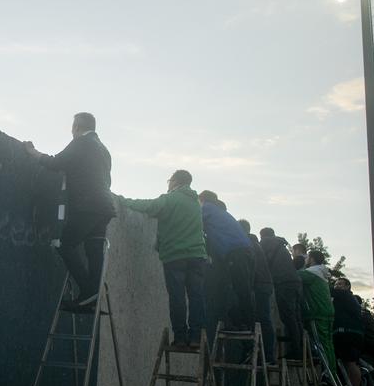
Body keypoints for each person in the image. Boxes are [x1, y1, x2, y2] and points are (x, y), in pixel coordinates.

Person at [25, 113, 115, 311]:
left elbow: (56, 163)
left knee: (65, 245)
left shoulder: (82, 143)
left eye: (72, 128)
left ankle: (89, 292)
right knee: (94, 252)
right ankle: (93, 297)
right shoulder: (104, 150)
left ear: (76, 127)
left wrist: (33, 152)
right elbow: (106, 180)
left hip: (87, 206)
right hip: (105, 207)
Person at [118, 170, 208, 351]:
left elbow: (150, 206)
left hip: (176, 256)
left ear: (175, 181)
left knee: (177, 298)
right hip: (197, 256)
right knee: (196, 296)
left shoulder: (172, 198)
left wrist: (123, 201)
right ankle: (196, 337)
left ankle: (181, 337)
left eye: (169, 181)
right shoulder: (195, 203)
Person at [198, 191, 256, 332]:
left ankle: (243, 324)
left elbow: (191, 220)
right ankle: (243, 324)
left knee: (236, 290)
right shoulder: (220, 212)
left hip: (236, 253)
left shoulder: (207, 208)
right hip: (242, 252)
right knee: (240, 289)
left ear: (203, 199)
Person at [260, 227, 303, 359]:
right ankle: (301, 349)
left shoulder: (265, 243)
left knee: (288, 317)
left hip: (283, 283)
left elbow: (261, 263)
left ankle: (296, 352)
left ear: (263, 236)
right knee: (295, 317)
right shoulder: (281, 245)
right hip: (295, 282)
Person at [239, 219, 275, 361]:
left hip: (258, 286)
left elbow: (251, 269)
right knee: (261, 319)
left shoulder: (247, 244)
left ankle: (264, 354)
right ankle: (263, 353)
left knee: (261, 319)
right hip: (263, 285)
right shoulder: (254, 243)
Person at [300, 250, 335, 371]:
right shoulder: (321, 273)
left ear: (312, 259)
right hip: (327, 312)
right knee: (328, 344)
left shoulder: (311, 273)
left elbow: (292, 275)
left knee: (321, 344)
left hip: (317, 312)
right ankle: (333, 373)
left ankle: (328, 373)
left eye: (307, 257)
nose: (306, 259)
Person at [332, 277, 365, 386]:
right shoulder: (347, 298)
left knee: (350, 363)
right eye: (336, 284)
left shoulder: (344, 295)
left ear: (347, 287)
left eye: (340, 284)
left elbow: (327, 290)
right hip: (351, 333)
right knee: (348, 363)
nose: (336, 286)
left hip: (348, 334)